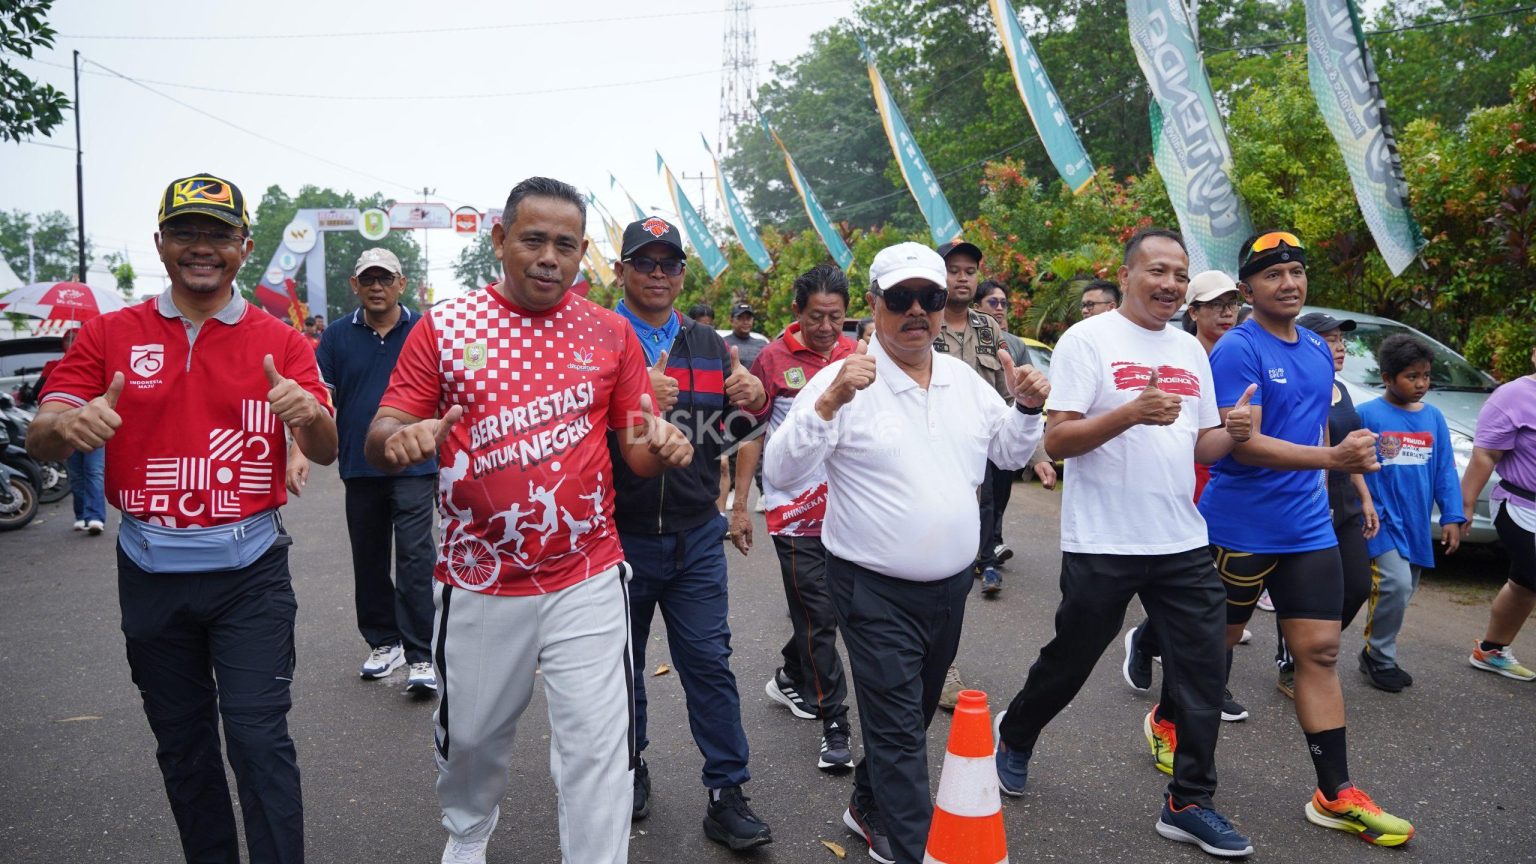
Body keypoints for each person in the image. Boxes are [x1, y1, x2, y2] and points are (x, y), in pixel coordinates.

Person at [364, 177, 692, 864]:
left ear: (581, 257)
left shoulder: (609, 334)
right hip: (480, 580)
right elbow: (386, 425)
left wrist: (663, 447)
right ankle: (468, 833)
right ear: (500, 241)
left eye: (565, 245)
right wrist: (399, 438)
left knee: (600, 747)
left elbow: (637, 447)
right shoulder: (445, 328)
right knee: (474, 742)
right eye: (534, 239)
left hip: (588, 574)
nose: (549, 257)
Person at [28, 172, 338, 864]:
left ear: (244, 247)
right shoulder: (110, 333)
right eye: (187, 232)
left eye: (219, 235)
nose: (203, 248)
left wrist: (308, 416)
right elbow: (42, 430)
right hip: (150, 573)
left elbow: (324, 446)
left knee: (259, 740)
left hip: (251, 574)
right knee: (184, 745)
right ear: (160, 243)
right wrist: (68, 426)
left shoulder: (281, 341)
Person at [765, 241, 1050, 864]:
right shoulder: (841, 379)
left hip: (950, 588)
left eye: (930, 297)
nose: (917, 311)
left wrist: (1027, 406)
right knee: (897, 728)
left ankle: (866, 804)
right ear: (874, 306)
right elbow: (780, 473)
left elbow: (1006, 453)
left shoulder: (961, 379)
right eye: (901, 299)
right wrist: (829, 402)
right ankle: (919, 847)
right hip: (871, 586)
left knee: (915, 710)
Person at [993, 229, 1255, 859]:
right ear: (1129, 273)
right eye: (1157, 271)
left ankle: (1189, 801)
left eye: (1179, 274)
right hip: (1103, 539)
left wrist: (1236, 433)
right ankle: (1018, 731)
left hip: (1181, 539)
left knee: (1201, 668)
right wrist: (1130, 413)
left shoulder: (1192, 351)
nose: (1169, 284)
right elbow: (1057, 442)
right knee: (1072, 658)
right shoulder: (1088, 340)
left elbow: (1201, 445)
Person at [1193, 230, 1414, 846]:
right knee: (1219, 648)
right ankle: (1168, 725)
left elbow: (1318, 428)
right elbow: (1245, 442)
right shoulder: (1238, 349)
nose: (1288, 283)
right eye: (1273, 275)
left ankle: (1336, 793)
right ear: (1248, 289)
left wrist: (1345, 471)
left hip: (1308, 526)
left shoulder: (1318, 348)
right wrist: (1332, 459)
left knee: (1319, 653)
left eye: (1296, 271)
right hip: (1239, 524)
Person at [608, 216, 774, 851]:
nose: (657, 274)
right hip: (616, 537)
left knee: (708, 662)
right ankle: (629, 768)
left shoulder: (708, 343)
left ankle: (726, 792)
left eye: (668, 264)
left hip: (695, 534)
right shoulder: (597, 338)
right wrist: (629, 399)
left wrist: (754, 395)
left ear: (682, 273)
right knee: (620, 668)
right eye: (644, 263)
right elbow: (568, 429)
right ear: (621, 271)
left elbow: (736, 429)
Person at [288, 247, 438, 693]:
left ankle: (421, 654)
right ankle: (383, 641)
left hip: (415, 463)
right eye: (368, 279)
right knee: (369, 558)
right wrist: (299, 449)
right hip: (359, 464)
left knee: (416, 557)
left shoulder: (424, 330)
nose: (376, 287)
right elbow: (320, 399)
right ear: (355, 285)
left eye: (384, 279)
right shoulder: (336, 336)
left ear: (400, 284)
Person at [732, 264, 857, 772]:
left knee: (830, 610)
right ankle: (836, 723)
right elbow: (751, 433)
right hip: (794, 503)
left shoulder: (860, 354)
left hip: (850, 501)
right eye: (816, 317)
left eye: (836, 316)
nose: (827, 327)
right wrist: (740, 505)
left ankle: (791, 672)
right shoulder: (771, 358)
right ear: (796, 313)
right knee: (819, 612)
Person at [1120, 270, 1252, 723]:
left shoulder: (1243, 354)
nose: (1226, 312)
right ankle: (1147, 640)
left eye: (1232, 303)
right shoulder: (1180, 353)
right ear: (1192, 312)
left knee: (1207, 594)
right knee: (1197, 588)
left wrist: (1237, 432)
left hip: (1224, 474)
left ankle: (1198, 678)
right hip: (1184, 476)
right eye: (1215, 304)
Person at [1268, 312, 1381, 698]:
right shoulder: (1301, 385)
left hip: (1345, 496)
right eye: (1329, 339)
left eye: (1341, 341)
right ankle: (1294, 659)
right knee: (1299, 589)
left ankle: (1310, 649)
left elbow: (1350, 449)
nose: (1338, 348)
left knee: (1357, 586)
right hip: (1307, 494)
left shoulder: (1342, 390)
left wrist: (1365, 498)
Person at [1356, 334, 1466, 690]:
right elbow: (1352, 465)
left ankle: (1375, 651)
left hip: (1416, 522)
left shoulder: (1433, 418)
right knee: (1395, 583)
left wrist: (1451, 516)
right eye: (1411, 377)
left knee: (1405, 589)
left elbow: (1445, 470)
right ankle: (1380, 658)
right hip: (1382, 520)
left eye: (1426, 375)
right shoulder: (1368, 414)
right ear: (1388, 378)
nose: (1421, 384)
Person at [933, 240, 1010, 598]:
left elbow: (1004, 389)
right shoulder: (924, 321)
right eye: (953, 271)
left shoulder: (988, 328)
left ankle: (985, 561)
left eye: (969, 271)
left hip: (981, 437)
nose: (962, 279)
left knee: (987, 501)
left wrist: (1034, 450)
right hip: (934, 438)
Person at [1462, 343, 1536, 682]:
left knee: (1523, 583)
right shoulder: (1513, 396)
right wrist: (1462, 507)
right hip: (1519, 507)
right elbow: (1484, 457)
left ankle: (1491, 651)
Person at [973, 280, 1056, 564]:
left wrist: (1039, 456)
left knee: (998, 496)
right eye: (992, 303)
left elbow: (1026, 402)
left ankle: (992, 543)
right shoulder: (953, 337)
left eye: (1003, 303)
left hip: (1008, 437)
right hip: (973, 439)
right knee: (979, 499)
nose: (999, 309)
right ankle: (984, 556)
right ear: (976, 307)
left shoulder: (1017, 347)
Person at [37, 327, 107, 535]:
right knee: (76, 474)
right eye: (68, 339)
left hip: (93, 427)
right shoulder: (54, 366)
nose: (72, 342)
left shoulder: (98, 362)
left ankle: (95, 516)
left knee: (94, 471)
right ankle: (81, 515)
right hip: (65, 429)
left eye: (76, 339)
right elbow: (38, 393)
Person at [722, 302, 769, 370]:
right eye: (740, 318)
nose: (746, 322)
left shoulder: (762, 344)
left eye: (749, 318)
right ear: (731, 320)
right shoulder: (722, 343)